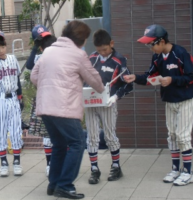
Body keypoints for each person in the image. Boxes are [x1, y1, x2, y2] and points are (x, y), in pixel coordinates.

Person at [31, 20, 104, 199]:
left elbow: (34, 76)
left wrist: (49, 86)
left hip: (45, 108)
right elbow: (96, 82)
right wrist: (101, 88)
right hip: (64, 108)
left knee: (59, 145)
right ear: (81, 38)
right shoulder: (78, 54)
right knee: (78, 142)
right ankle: (65, 185)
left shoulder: (48, 51)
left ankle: (54, 184)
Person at [124, 24, 193, 186]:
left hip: (185, 100)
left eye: (151, 44)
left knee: (183, 136)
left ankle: (188, 172)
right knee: (173, 136)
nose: (150, 48)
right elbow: (150, 76)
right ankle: (175, 169)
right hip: (169, 101)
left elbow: (190, 77)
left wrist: (172, 80)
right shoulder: (157, 58)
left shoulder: (180, 53)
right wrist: (135, 77)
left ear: (161, 41)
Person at [85, 29, 133, 184]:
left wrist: (115, 97)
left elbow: (128, 85)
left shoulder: (120, 61)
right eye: (99, 50)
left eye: (105, 50)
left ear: (111, 44)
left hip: (108, 104)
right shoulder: (91, 58)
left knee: (109, 135)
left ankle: (116, 166)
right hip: (91, 103)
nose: (103, 53)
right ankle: (94, 169)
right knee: (91, 136)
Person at [0, 29, 24, 177]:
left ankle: (17, 162)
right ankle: (3, 163)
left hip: (12, 97)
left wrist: (20, 97)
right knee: (0, 131)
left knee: (15, 130)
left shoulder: (12, 59)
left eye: (2, 46)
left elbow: (17, 79)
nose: (1, 50)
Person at [26, 24, 57, 177]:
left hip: (58, 98)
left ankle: (59, 163)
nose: (45, 41)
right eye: (41, 39)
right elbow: (29, 65)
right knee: (46, 134)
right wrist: (35, 47)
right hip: (44, 98)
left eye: (46, 38)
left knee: (60, 133)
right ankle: (49, 164)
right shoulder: (39, 56)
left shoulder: (59, 53)